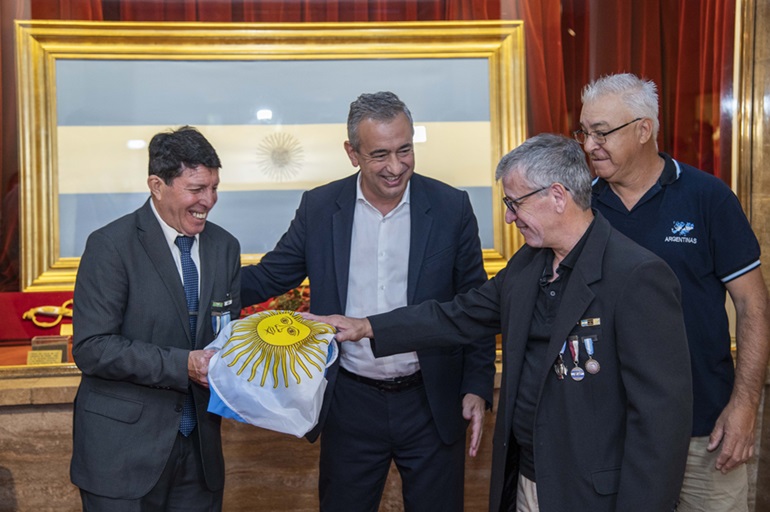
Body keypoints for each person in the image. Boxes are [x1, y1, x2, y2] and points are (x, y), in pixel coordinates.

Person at [305, 133, 693, 512]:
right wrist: (367, 326)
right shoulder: (528, 265)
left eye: (515, 202)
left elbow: (661, 422)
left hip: (592, 493)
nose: (509, 216)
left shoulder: (637, 276)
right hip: (525, 479)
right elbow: (457, 315)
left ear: (557, 196)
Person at [240, 91, 495, 512]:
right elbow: (270, 276)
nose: (396, 167)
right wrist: (198, 285)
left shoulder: (451, 206)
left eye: (405, 150)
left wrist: (477, 386)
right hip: (350, 404)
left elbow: (475, 303)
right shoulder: (321, 208)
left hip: (431, 400)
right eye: (380, 154)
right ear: (352, 153)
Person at [576, 73, 770, 512]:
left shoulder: (708, 198)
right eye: (585, 132)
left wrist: (744, 408)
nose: (589, 145)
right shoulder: (581, 208)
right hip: (611, 437)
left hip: (705, 434)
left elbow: (753, 306)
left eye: (602, 132)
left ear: (644, 129)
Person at [71, 126, 242, 511]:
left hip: (200, 456)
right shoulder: (110, 245)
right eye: (196, 189)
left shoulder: (225, 247)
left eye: (214, 187)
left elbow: (224, 334)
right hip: (122, 457)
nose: (209, 200)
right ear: (156, 185)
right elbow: (92, 347)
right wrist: (184, 364)